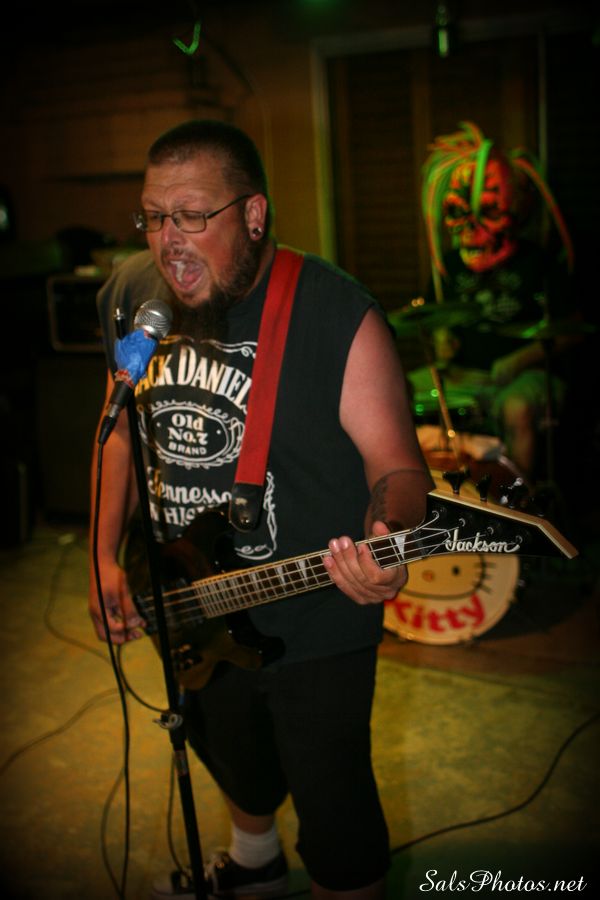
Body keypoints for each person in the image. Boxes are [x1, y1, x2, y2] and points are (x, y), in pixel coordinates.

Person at [88, 119, 434, 900]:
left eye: (192, 215)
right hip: (189, 595)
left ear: (253, 214)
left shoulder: (336, 313)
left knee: (336, 812)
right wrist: (102, 556)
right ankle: (255, 864)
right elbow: (115, 431)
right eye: (153, 216)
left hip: (316, 610)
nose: (169, 243)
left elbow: (397, 465)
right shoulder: (131, 297)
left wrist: (392, 539)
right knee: (230, 755)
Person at [406, 121, 578, 483]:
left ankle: (520, 501)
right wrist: (442, 340)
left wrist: (520, 360)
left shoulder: (538, 263)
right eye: (459, 213)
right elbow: (433, 319)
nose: (472, 229)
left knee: (517, 407)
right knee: (394, 391)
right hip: (461, 376)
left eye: (488, 212)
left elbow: (571, 330)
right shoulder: (449, 265)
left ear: (513, 210)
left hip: (525, 376)